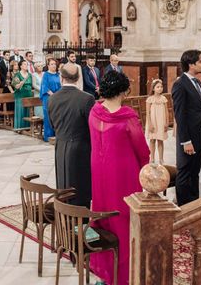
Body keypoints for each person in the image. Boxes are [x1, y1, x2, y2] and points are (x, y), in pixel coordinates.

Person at [89, 71, 150, 285]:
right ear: (124, 90)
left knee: (104, 215)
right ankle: (125, 274)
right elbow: (142, 150)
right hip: (123, 173)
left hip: (99, 170)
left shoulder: (95, 112)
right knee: (123, 219)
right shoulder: (128, 116)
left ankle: (106, 271)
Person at [47, 63, 95, 207]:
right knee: (81, 186)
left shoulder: (52, 99)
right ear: (78, 77)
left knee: (63, 183)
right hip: (81, 147)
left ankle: (65, 215)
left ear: (61, 78)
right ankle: (81, 220)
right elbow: (91, 126)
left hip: (60, 145)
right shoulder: (87, 98)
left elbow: (51, 125)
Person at [172, 49, 201, 206]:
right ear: (191, 64)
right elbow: (180, 116)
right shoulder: (180, 85)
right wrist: (185, 141)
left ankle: (194, 204)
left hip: (200, 134)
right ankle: (183, 208)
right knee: (184, 172)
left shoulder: (197, 82)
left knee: (195, 171)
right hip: (188, 137)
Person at [145, 79, 169, 164]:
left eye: (161, 87)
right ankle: (152, 158)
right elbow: (147, 113)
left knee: (160, 140)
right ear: (153, 88)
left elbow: (166, 111)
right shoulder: (150, 99)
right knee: (152, 140)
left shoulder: (164, 99)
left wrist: (167, 122)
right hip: (153, 122)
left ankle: (161, 159)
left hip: (161, 121)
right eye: (158, 87)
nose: (160, 88)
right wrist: (150, 124)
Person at [40, 58, 62, 142]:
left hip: (57, 98)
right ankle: (48, 136)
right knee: (48, 117)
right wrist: (53, 94)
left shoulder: (58, 74)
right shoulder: (46, 75)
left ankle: (56, 134)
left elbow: (61, 86)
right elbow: (45, 87)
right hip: (48, 98)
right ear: (48, 65)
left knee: (56, 116)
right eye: (52, 64)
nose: (54, 66)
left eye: (54, 64)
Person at [11, 60, 33, 130]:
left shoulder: (29, 75)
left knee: (27, 112)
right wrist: (20, 84)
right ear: (20, 66)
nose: (26, 66)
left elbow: (31, 85)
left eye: (27, 64)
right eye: (24, 64)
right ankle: (20, 127)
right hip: (20, 96)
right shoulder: (17, 75)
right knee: (21, 111)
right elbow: (16, 86)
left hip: (28, 95)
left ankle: (27, 126)